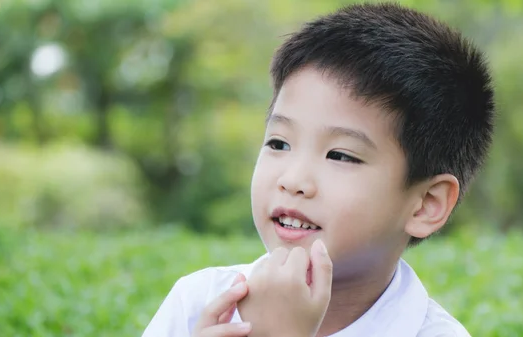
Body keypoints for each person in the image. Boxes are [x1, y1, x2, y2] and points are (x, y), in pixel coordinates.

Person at [142, 2, 494, 337]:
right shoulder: (198, 302)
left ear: (426, 204)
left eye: (340, 155)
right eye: (279, 143)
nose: (293, 180)